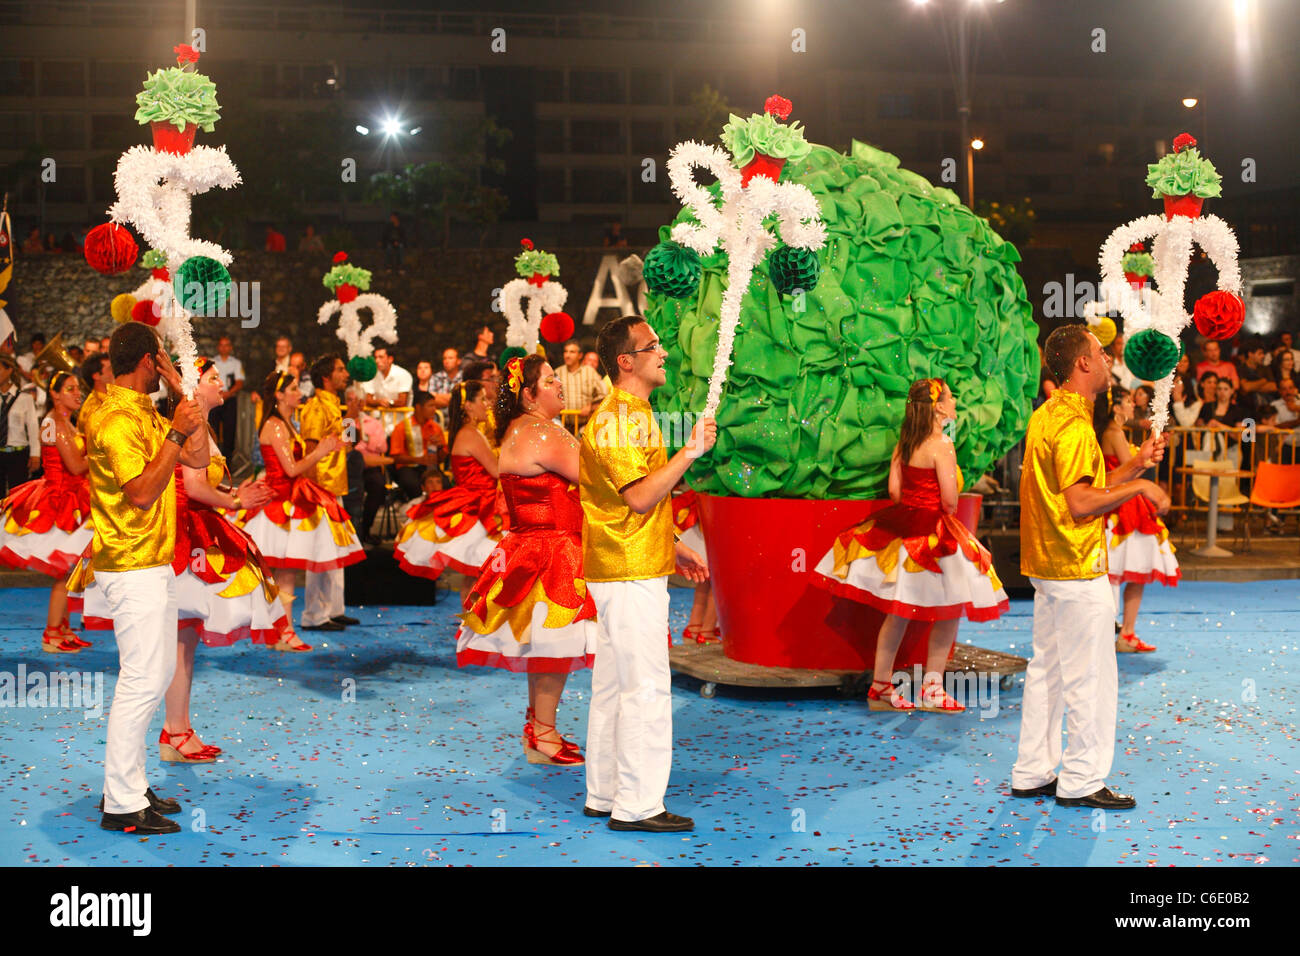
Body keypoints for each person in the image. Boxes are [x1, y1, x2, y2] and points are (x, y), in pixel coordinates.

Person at [70, 359, 285, 759]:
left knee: (182, 643)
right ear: (192, 387)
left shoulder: (191, 426)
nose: (222, 383)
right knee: (167, 651)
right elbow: (194, 484)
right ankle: (171, 733)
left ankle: (176, 729)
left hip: (183, 535)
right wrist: (237, 500)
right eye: (213, 378)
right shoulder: (170, 423)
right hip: (175, 537)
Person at [1011, 324, 1169, 811]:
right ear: (1082, 364)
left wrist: (1135, 466)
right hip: (1077, 568)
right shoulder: (1077, 424)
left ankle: (1032, 771)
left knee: (1049, 673)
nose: (1107, 360)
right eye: (1100, 353)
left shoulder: (1047, 415)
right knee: (1090, 678)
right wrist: (1141, 488)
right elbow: (1081, 503)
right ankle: (1080, 779)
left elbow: (1079, 487)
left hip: (1047, 566)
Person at [579, 315, 714, 833]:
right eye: (652, 345)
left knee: (615, 685)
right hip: (628, 571)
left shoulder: (630, 412)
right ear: (625, 361)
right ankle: (637, 805)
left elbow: (626, 499)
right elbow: (638, 497)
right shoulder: (619, 417)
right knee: (646, 687)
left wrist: (673, 543)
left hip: (627, 563)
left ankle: (606, 793)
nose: (663, 352)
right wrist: (690, 450)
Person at [813, 378, 1009, 712]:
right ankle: (933, 688)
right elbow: (949, 501)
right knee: (948, 610)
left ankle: (880, 686)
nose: (955, 401)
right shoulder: (942, 444)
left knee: (898, 614)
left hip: (902, 528)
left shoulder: (905, 442)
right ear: (938, 407)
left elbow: (894, 492)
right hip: (933, 533)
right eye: (950, 396)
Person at [85, 321, 208, 835]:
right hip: (130, 564)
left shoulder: (145, 411)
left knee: (152, 678)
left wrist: (183, 402)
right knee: (140, 681)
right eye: (161, 360)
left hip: (153, 561)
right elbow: (140, 493)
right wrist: (177, 428)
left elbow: (200, 460)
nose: (165, 367)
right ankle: (120, 801)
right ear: (147, 362)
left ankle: (131, 784)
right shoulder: (115, 418)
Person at [456, 355, 597, 764]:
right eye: (551, 380)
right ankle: (544, 733)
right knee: (554, 646)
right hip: (553, 552)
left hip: (530, 549)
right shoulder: (543, 433)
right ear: (529, 394)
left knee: (546, 646)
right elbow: (595, 480)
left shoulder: (520, 429)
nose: (560, 385)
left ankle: (539, 729)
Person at [236, 369, 364, 644]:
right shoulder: (299, 416)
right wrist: (321, 451)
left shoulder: (292, 421)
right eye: (293, 388)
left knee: (296, 568)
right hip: (288, 500)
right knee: (291, 569)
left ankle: (287, 628)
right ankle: (290, 626)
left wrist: (351, 417)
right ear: (280, 394)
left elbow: (351, 442)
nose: (299, 393)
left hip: (311, 493)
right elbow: (292, 468)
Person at [0, 370, 94, 653]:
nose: (77, 393)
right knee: (64, 570)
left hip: (71, 497)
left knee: (71, 567)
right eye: (69, 389)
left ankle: (63, 629)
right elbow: (76, 466)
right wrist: (103, 452)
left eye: (78, 388)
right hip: (60, 500)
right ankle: (52, 634)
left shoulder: (63, 421)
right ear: (54, 394)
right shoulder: (56, 422)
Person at [394, 380, 504, 601]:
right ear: (468, 406)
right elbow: (497, 470)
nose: (487, 404)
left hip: (481, 503)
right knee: (478, 573)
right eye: (482, 399)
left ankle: (472, 628)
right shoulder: (470, 434)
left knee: (477, 574)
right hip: (479, 506)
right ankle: (473, 627)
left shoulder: (469, 432)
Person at [1095, 385, 1178, 655]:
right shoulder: (1113, 432)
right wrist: (1147, 456)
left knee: (1128, 571)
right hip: (1121, 507)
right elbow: (1131, 468)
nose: (1133, 405)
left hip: (1125, 503)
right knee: (1119, 572)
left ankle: (1121, 632)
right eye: (1128, 402)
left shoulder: (1112, 432)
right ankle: (1115, 632)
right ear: (1116, 407)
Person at [296, 354, 365, 631]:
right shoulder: (315, 407)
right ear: (326, 377)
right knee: (320, 553)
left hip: (334, 486)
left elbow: (346, 447)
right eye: (339, 370)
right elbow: (310, 451)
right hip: (320, 487)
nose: (345, 374)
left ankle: (334, 609)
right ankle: (314, 615)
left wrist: (351, 418)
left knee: (336, 551)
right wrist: (312, 491)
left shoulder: (335, 406)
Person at [672, 484, 718, 644]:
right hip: (717, 504)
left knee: (706, 572)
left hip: (702, 504)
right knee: (719, 577)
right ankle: (706, 630)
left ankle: (695, 626)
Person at [390, 391, 447, 499]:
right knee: (413, 485)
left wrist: (440, 447)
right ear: (418, 407)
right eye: (431, 406)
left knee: (445, 484)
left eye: (435, 405)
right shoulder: (401, 427)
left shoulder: (436, 427)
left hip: (430, 468)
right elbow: (395, 457)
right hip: (409, 468)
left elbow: (442, 459)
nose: (434, 409)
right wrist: (419, 460)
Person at [0, 354, 40, 497]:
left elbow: (33, 428)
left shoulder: (25, 398)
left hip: (18, 453)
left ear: (9, 370)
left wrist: (35, 454)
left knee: (18, 496)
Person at [555, 339, 607, 428]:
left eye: (572, 352)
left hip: (584, 426)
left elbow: (604, 395)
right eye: (566, 351)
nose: (567, 355)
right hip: (562, 425)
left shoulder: (590, 372)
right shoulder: (558, 372)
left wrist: (591, 407)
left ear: (580, 355)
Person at [361, 346, 412, 431]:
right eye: (376, 357)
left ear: (390, 359)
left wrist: (389, 402)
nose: (377, 361)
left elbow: (402, 401)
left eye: (381, 357)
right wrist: (379, 402)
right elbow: (368, 399)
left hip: (401, 424)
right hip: (379, 424)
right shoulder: (372, 375)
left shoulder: (403, 374)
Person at [209, 335, 244, 459]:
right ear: (218, 347)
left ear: (230, 347)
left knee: (230, 430)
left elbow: (240, 382)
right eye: (221, 345)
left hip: (230, 400)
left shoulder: (236, 363)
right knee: (213, 429)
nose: (224, 348)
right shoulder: (212, 362)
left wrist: (227, 394)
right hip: (214, 399)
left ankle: (228, 461)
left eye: (227, 345)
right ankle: (214, 460)